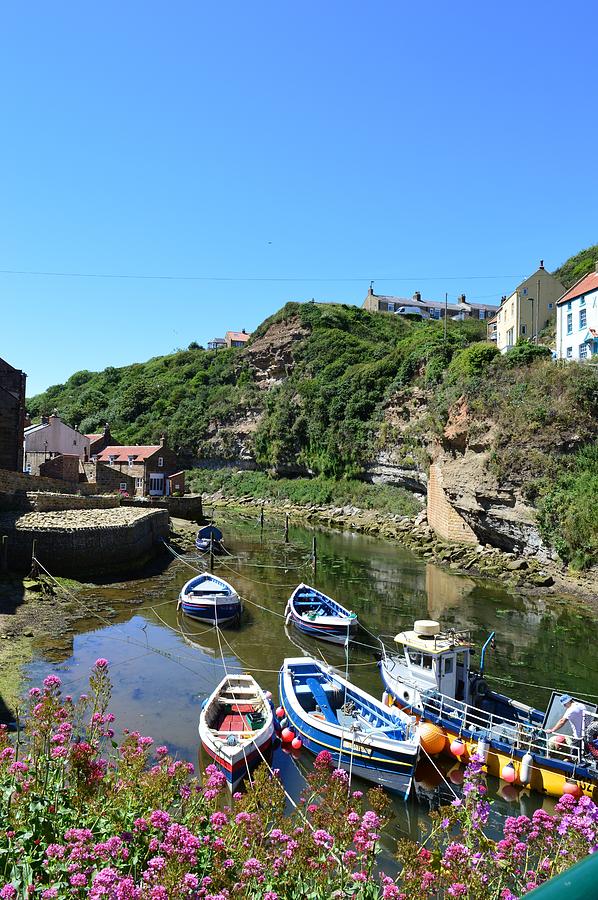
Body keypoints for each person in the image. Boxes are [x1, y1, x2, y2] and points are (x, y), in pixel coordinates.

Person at [547, 694, 585, 758]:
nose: (565, 706)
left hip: (578, 737)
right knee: (582, 752)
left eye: (564, 704)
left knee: (574, 756)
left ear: (568, 702)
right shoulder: (581, 705)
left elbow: (562, 721)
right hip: (585, 735)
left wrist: (552, 730)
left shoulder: (570, 710)